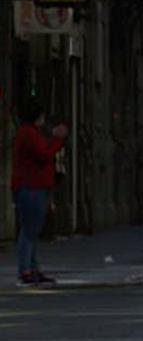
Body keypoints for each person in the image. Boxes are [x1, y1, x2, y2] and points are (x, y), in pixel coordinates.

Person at [11, 101, 68, 287]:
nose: (44, 120)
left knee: (32, 231)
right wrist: (57, 139)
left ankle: (32, 269)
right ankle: (25, 271)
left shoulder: (29, 133)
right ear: (38, 116)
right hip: (31, 187)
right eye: (43, 117)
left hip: (33, 187)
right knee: (29, 231)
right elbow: (44, 154)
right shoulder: (28, 133)